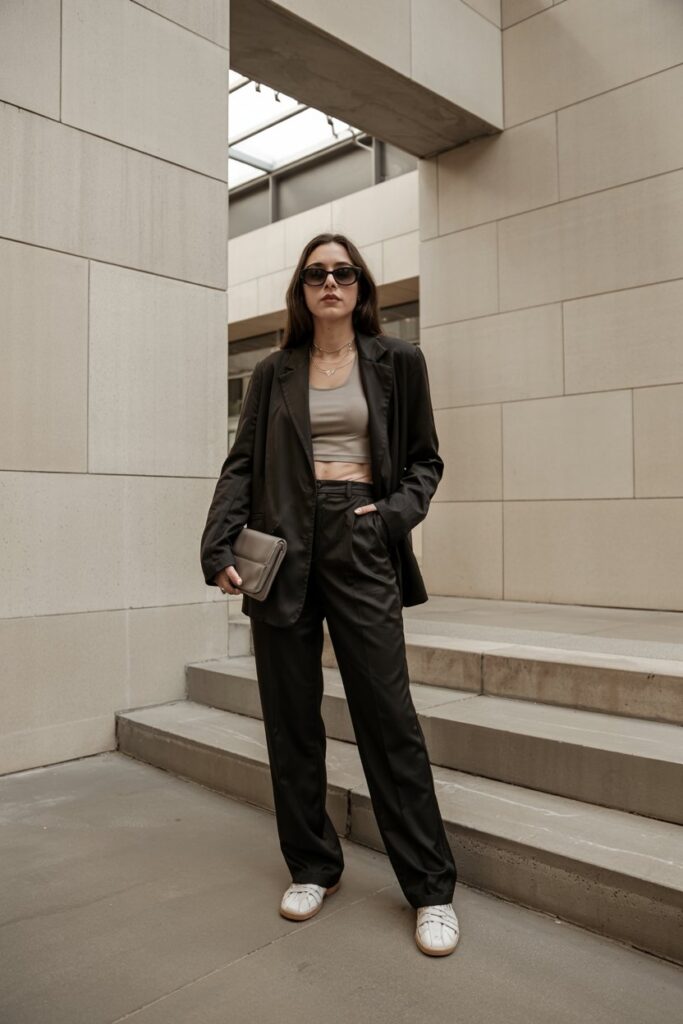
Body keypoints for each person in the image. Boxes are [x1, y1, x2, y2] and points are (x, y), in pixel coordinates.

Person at [200, 232, 459, 956]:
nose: (331, 283)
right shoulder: (271, 373)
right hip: (283, 546)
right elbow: (242, 465)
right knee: (290, 717)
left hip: (361, 535)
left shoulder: (397, 363)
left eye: (343, 272)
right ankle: (313, 865)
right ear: (302, 290)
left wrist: (392, 518)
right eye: (316, 273)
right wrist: (217, 547)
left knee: (387, 714)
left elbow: (423, 462)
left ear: (361, 286)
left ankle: (431, 888)